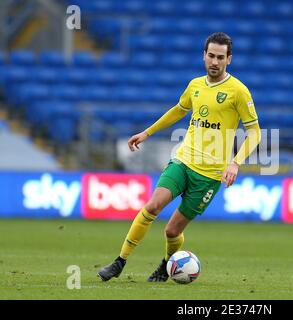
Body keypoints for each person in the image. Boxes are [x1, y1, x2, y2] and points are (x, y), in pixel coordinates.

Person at [97, 32, 261, 282]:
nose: (214, 62)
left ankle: (166, 266)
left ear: (230, 59)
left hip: (209, 176)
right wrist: (147, 132)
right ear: (203, 55)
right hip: (183, 161)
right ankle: (120, 262)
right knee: (152, 206)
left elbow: (255, 132)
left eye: (220, 57)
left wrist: (235, 162)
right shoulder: (195, 86)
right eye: (211, 56)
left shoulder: (238, 91)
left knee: (172, 230)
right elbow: (178, 111)